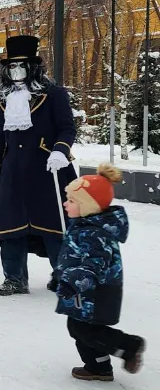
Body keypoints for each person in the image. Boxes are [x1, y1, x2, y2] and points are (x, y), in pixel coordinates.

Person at [0, 35, 78, 296]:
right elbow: (2, 137)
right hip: (14, 171)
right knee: (10, 227)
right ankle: (14, 279)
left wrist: (60, 151)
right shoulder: (4, 100)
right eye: (11, 67)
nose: (15, 71)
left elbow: (68, 128)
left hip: (49, 169)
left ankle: (63, 276)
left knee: (54, 228)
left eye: (21, 66)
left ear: (32, 68)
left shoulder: (54, 94)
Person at [55, 163, 146, 382]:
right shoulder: (83, 226)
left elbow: (93, 265)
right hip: (83, 289)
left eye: (72, 201)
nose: (66, 204)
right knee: (77, 328)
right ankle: (99, 367)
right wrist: (58, 277)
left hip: (97, 291)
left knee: (87, 330)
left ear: (88, 206)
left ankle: (130, 346)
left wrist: (70, 283)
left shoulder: (94, 234)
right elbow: (74, 258)